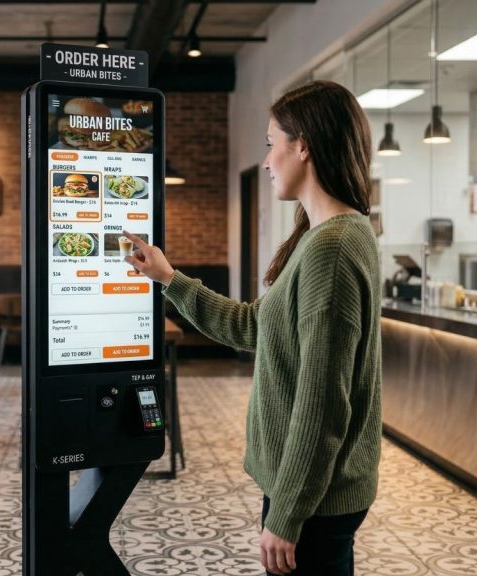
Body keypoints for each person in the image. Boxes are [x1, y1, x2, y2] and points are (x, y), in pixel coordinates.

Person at [123, 81, 381, 576]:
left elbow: (323, 402)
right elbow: (255, 326)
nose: (266, 161)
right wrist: (169, 278)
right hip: (313, 491)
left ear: (302, 145)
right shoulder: (329, 235)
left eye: (270, 143)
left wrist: (286, 514)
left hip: (312, 500)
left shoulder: (333, 248)